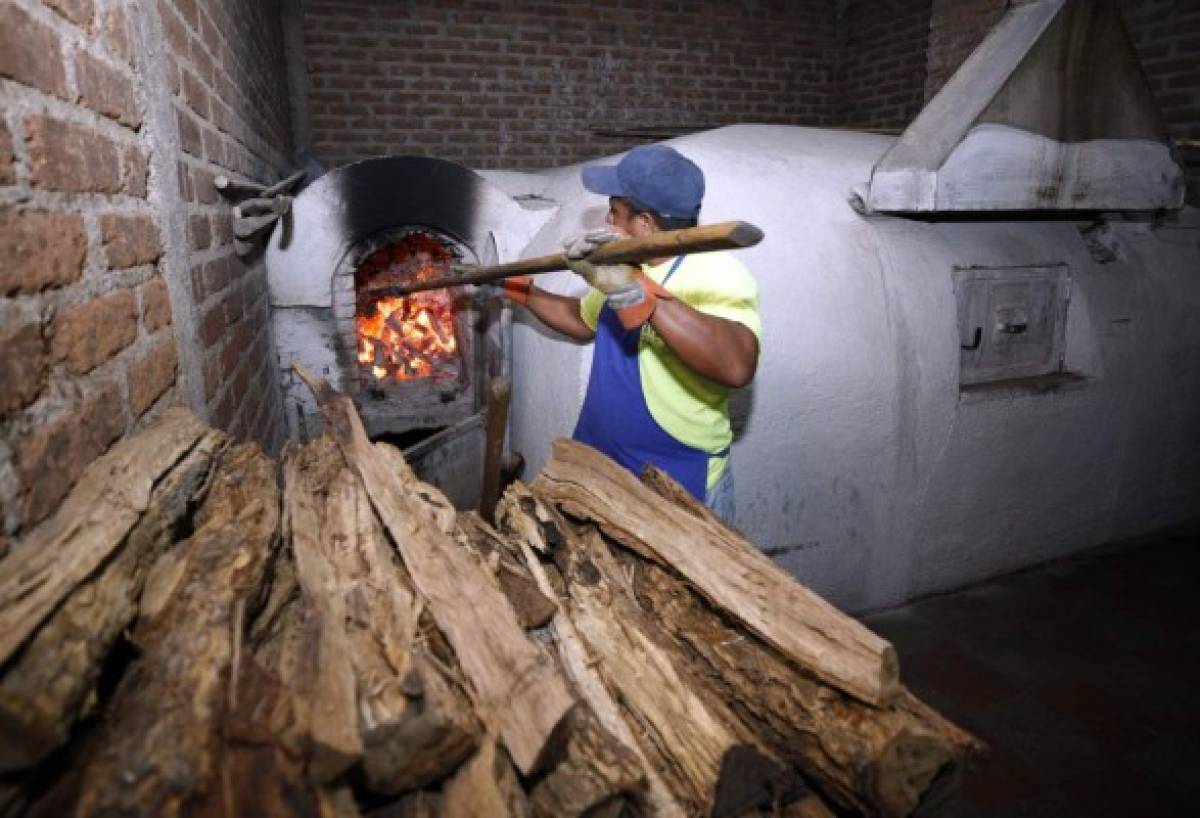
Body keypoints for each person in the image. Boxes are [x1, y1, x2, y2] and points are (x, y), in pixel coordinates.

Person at [501, 144, 761, 523]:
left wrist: (640, 294)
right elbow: (581, 320)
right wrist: (519, 290)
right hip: (603, 466)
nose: (607, 220)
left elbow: (737, 364)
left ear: (644, 223)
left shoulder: (716, 271)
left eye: (614, 210)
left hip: (676, 483)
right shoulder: (623, 266)